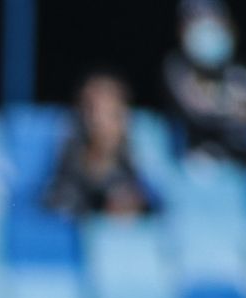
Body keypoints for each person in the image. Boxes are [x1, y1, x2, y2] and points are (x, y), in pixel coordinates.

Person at [164, 0, 246, 166]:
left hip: (242, 164)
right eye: (197, 21)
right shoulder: (175, 68)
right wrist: (232, 109)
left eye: (215, 21)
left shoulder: (245, 72)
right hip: (191, 161)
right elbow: (196, 112)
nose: (207, 30)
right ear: (181, 30)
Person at [43, 74, 161, 219]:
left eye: (111, 113)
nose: (100, 123)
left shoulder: (139, 159)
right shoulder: (69, 157)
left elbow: (156, 202)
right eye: (93, 112)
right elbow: (58, 204)